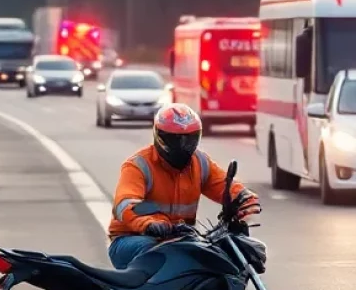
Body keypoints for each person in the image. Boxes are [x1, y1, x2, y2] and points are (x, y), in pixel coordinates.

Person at [108, 103, 261, 270]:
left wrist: (245, 198)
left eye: (189, 139)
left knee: (211, 257)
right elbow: (125, 204)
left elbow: (225, 185)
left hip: (180, 239)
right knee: (166, 253)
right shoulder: (138, 165)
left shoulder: (200, 163)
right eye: (175, 140)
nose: (183, 146)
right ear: (159, 137)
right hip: (131, 239)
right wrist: (149, 223)